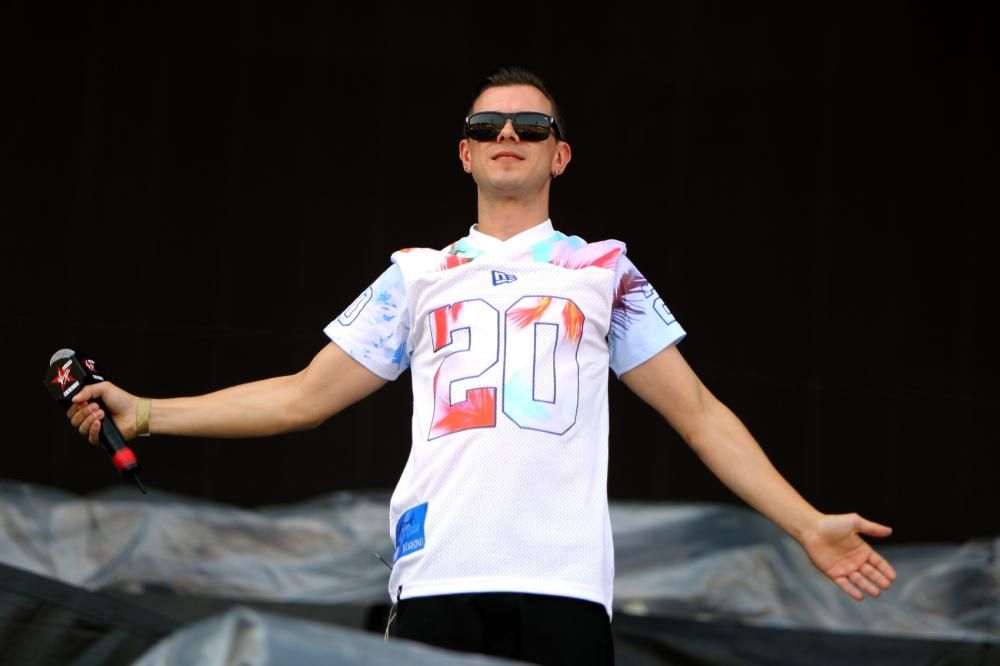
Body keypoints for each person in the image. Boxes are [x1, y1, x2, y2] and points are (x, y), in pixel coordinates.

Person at [67, 66, 897, 665]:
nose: (507, 137)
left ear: (559, 156)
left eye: (531, 128)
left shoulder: (605, 270)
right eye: (487, 127)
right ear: (463, 153)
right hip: (440, 578)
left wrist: (806, 524)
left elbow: (700, 415)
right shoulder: (416, 275)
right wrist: (146, 413)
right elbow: (301, 398)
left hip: (565, 588)